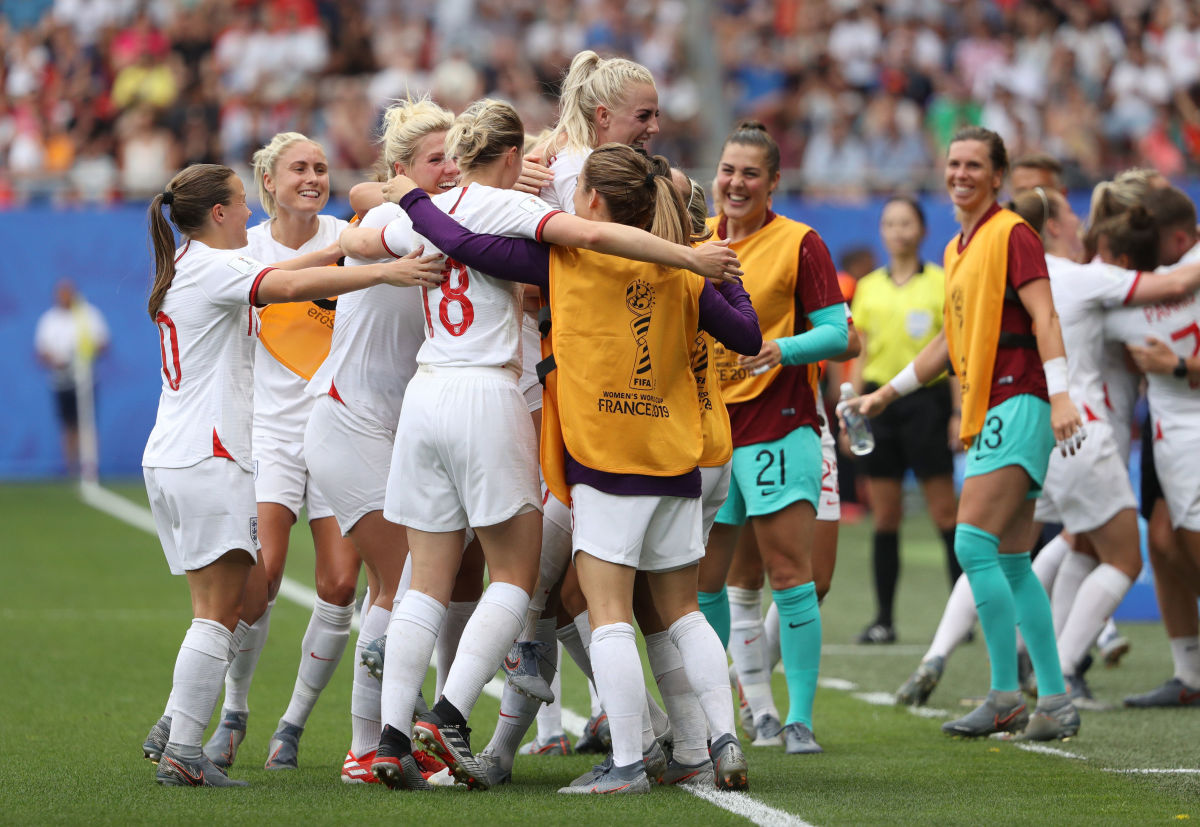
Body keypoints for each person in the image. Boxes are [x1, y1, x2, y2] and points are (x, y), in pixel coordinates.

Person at [338, 100, 740, 791]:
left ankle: (389, 739)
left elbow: (364, 230)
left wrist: (398, 194)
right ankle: (454, 717)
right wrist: (693, 257)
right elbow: (606, 244)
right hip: (517, 403)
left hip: (426, 393)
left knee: (425, 583)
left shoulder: (413, 210)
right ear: (512, 157)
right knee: (526, 582)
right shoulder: (524, 217)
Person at [139, 162, 444, 787]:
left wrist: (340, 247)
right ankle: (185, 751)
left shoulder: (188, 265)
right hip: (210, 455)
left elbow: (290, 271)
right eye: (239, 203)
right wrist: (387, 271)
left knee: (217, 607)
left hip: (175, 454)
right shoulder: (217, 267)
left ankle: (176, 727)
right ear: (219, 213)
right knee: (218, 612)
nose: (249, 213)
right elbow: (284, 288)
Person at [853, 126, 1085, 741]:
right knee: (1011, 560)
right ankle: (1055, 701)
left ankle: (1007, 694)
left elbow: (1045, 315)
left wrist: (1061, 394)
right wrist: (885, 391)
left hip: (1021, 402)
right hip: (997, 408)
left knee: (973, 546)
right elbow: (948, 344)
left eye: (974, 164)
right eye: (954, 163)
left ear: (997, 175)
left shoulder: (1012, 233)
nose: (961, 173)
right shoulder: (960, 248)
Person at [302, 96, 460, 785]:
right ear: (403, 170)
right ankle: (370, 746)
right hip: (348, 419)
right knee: (402, 582)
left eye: (457, 154)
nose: (450, 167)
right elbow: (364, 228)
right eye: (435, 159)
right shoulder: (399, 215)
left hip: (387, 425)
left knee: (389, 586)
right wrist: (365, 222)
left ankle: (372, 739)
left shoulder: (449, 214)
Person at [201, 132, 361, 773]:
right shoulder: (244, 249)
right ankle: (234, 709)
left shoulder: (351, 235)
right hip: (268, 433)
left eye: (321, 167)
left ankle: (291, 726)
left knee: (341, 584)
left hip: (337, 426)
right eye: (300, 168)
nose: (314, 176)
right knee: (261, 576)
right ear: (268, 182)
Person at [703, 121, 851, 755]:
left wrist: (780, 350)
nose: (736, 183)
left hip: (780, 425)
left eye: (750, 174)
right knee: (709, 584)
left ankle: (799, 720)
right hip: (709, 431)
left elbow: (840, 332)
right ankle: (727, 715)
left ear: (773, 183)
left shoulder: (800, 243)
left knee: (791, 575)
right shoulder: (694, 242)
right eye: (729, 170)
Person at [849, 196, 959, 644]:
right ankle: (884, 620)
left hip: (928, 405)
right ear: (882, 231)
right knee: (886, 516)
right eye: (890, 223)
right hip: (880, 407)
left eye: (906, 222)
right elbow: (860, 354)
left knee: (944, 513)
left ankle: (962, 617)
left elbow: (952, 354)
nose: (898, 230)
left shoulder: (940, 282)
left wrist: (955, 412)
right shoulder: (868, 287)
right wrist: (852, 409)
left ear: (921, 230)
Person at [1107, 187, 1200, 708]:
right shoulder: (1163, 275)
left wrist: (1179, 367)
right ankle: (1189, 672)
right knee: (1162, 544)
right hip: (1166, 427)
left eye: (1154, 244)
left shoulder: (1189, 268)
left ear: (1181, 239)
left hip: (1193, 428)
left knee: (1185, 540)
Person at [34, 279, 109, 477]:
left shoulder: (88, 315)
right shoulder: (49, 320)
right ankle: (72, 469)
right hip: (60, 381)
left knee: (86, 423)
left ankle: (90, 467)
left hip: (85, 380)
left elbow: (103, 342)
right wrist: (55, 360)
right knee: (68, 426)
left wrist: (85, 353)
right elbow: (41, 351)